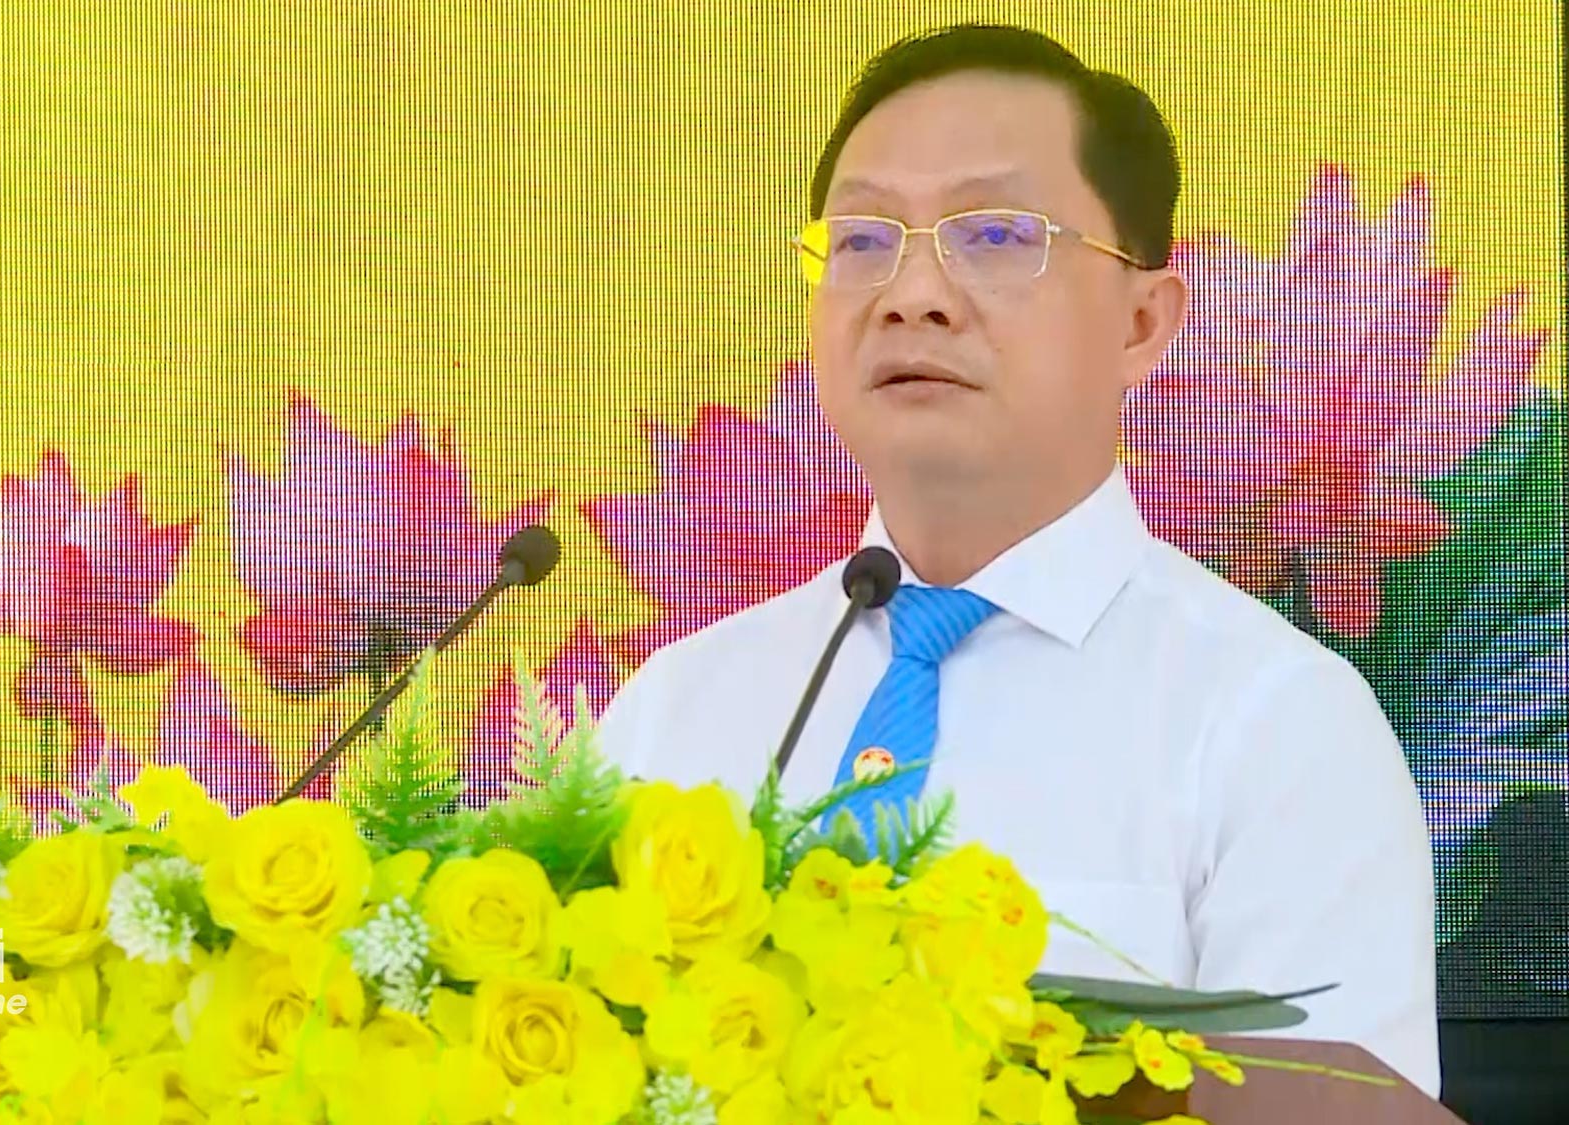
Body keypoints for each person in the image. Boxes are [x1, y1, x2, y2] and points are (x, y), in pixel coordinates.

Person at [597, 23, 1440, 1095]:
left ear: (1142, 322)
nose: (910, 293)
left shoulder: (1274, 727)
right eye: (861, 240)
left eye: (994, 234)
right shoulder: (674, 711)